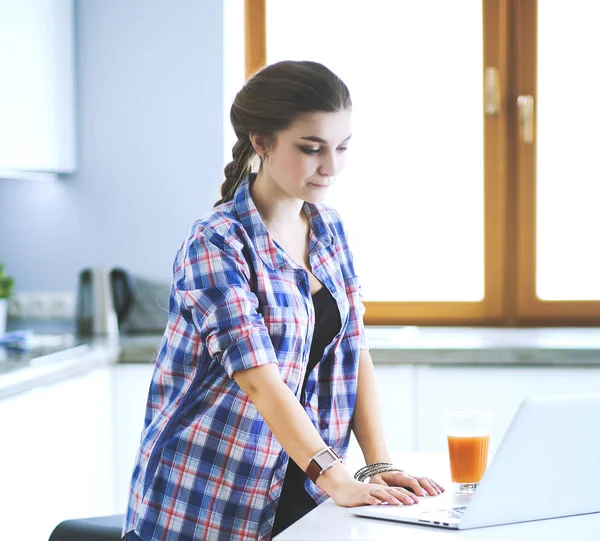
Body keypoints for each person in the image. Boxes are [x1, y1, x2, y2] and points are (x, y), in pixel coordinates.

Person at [123, 60, 444, 541]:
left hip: (306, 491)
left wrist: (375, 465)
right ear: (261, 142)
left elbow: (353, 351)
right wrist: (335, 475)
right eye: (311, 148)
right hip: (210, 499)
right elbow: (259, 379)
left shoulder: (329, 229)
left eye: (341, 148)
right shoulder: (216, 243)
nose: (331, 166)